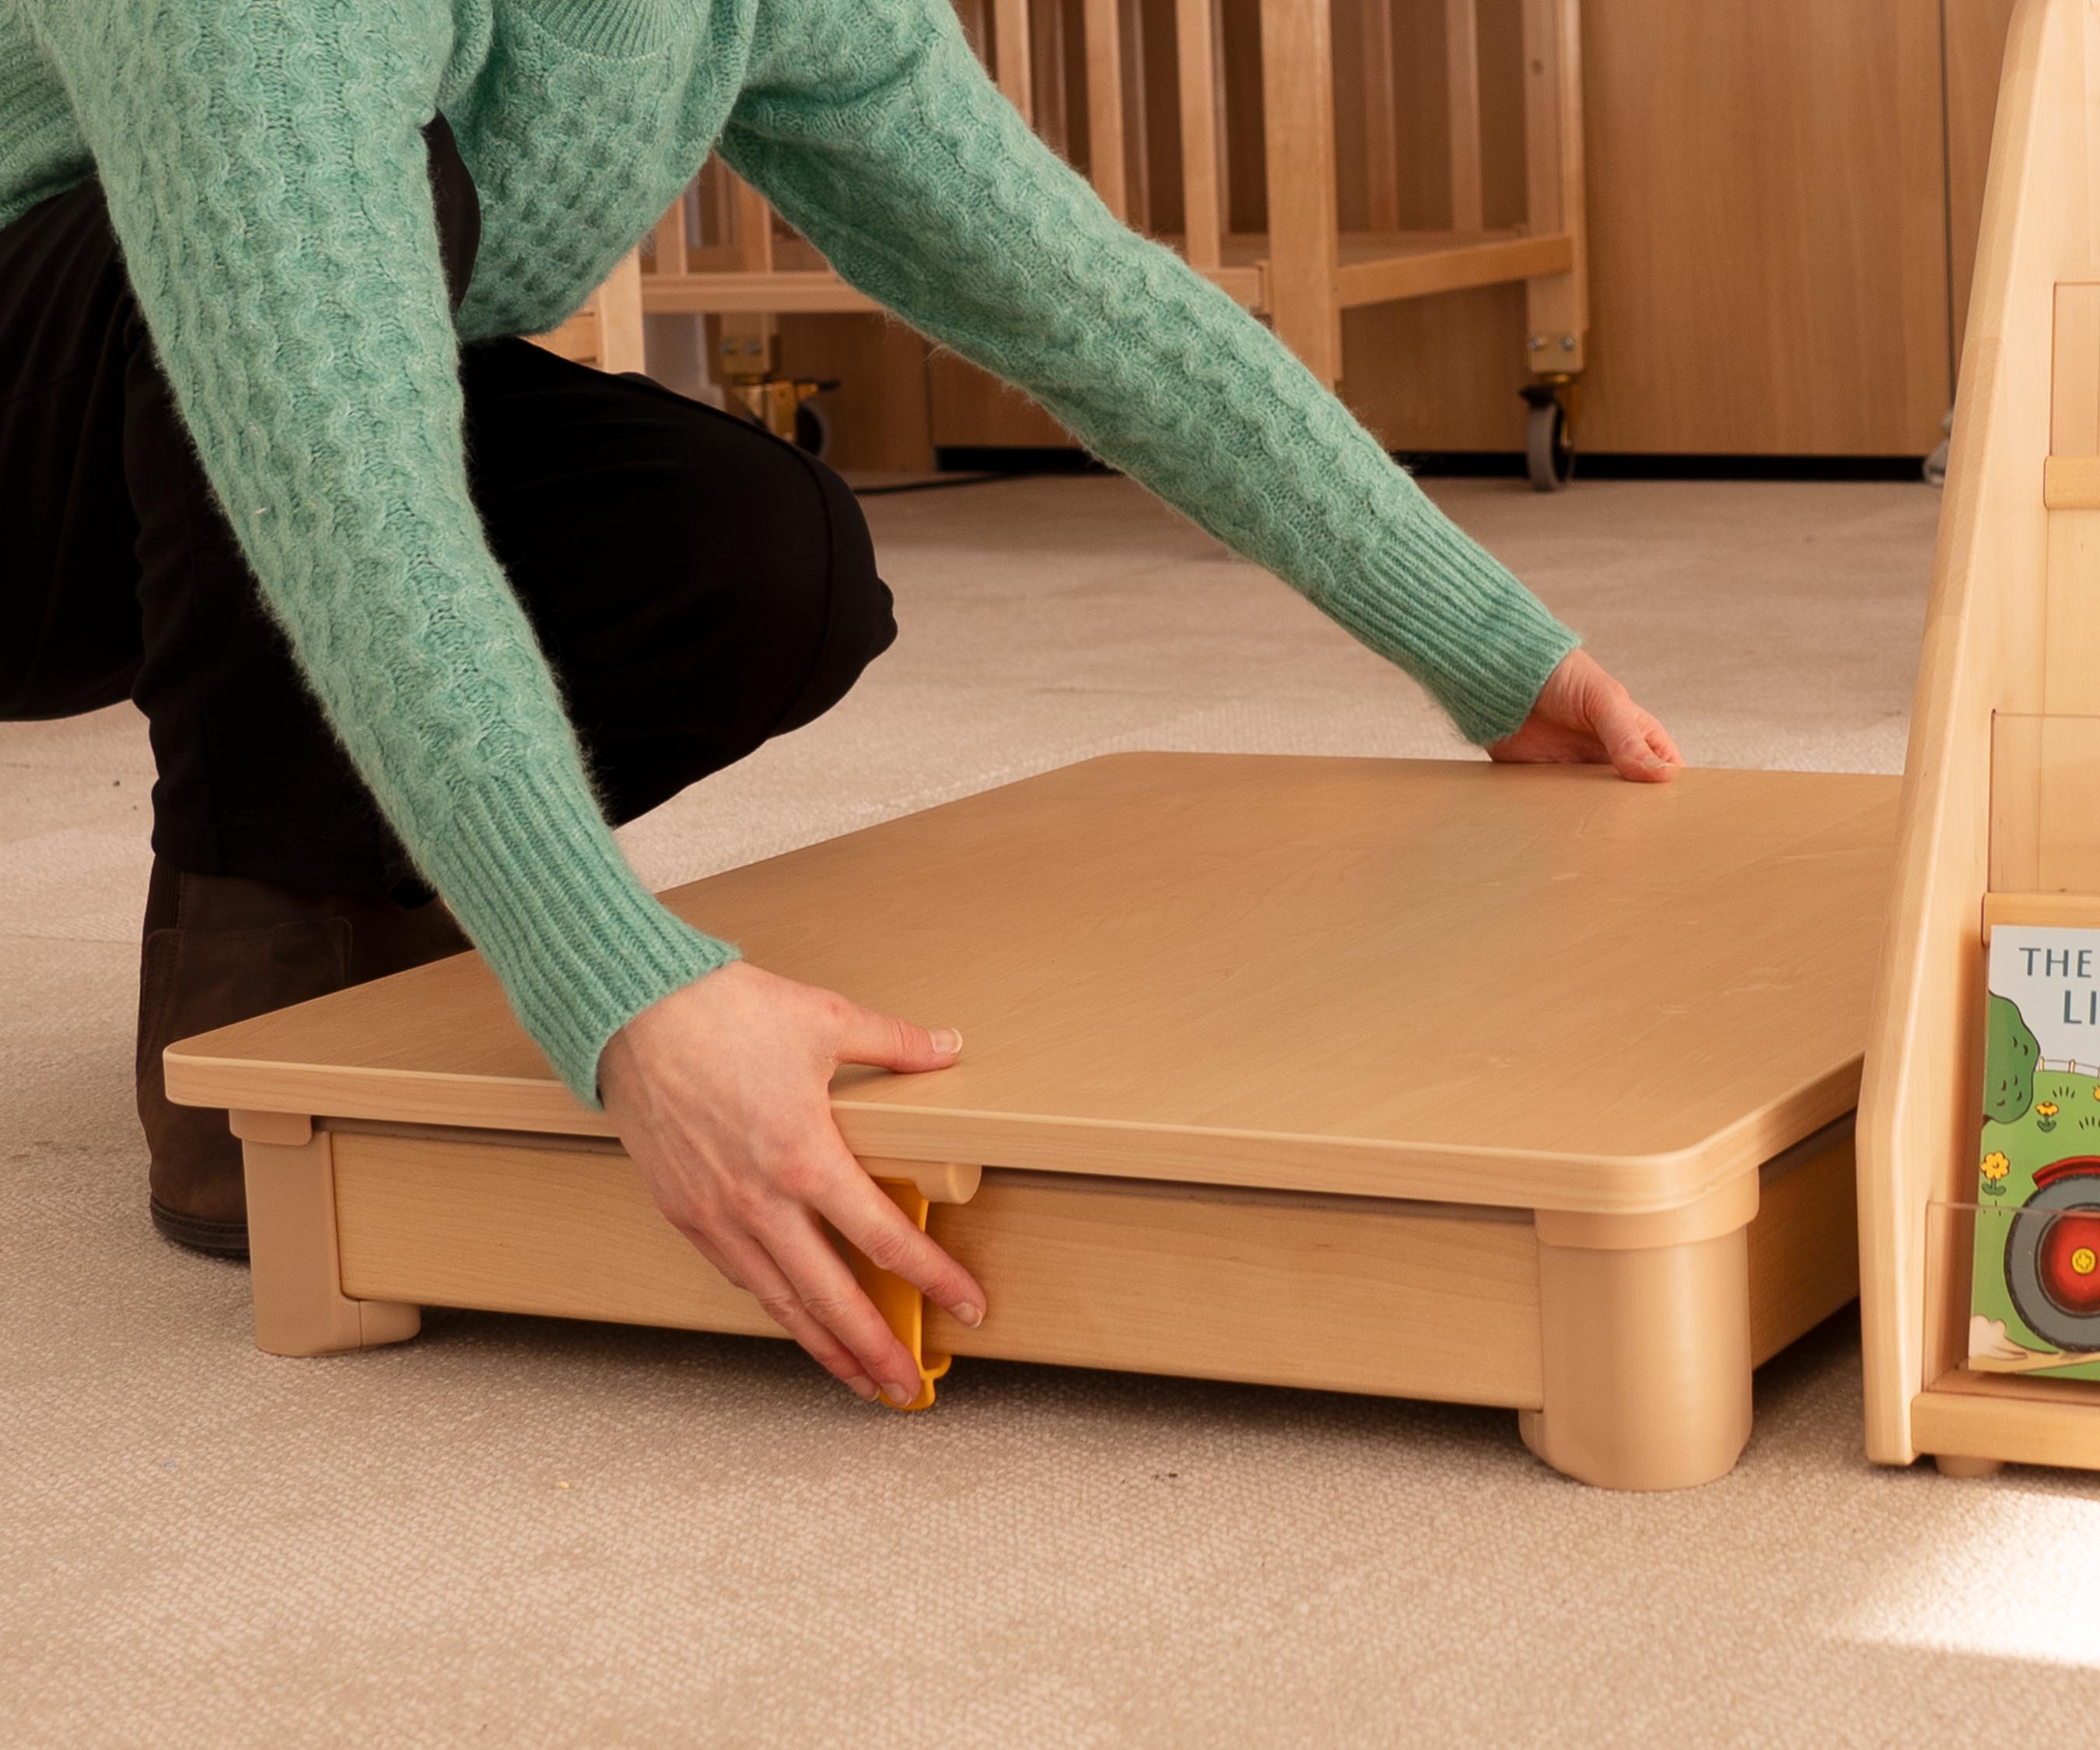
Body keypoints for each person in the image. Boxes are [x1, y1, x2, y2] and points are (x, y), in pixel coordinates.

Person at [0, 0, 1682, 1412]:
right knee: (265, 280)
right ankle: (260, 959)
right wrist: (625, 996)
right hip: (69, 400)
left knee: (758, 556)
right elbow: (333, 451)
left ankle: (356, 863)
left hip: (213, 404)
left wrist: (1491, 648)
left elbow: (1070, 287)